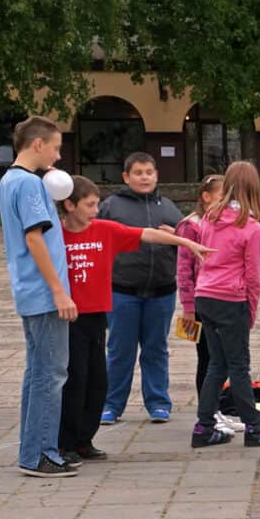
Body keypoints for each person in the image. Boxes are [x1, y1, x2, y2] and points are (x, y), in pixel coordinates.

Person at [60, 176, 213, 464]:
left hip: (97, 315)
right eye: (89, 205)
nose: (96, 210)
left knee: (96, 381)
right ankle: (64, 443)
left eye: (96, 204)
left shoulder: (103, 229)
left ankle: (83, 441)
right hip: (68, 317)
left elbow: (147, 234)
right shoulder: (55, 235)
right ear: (69, 205)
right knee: (74, 380)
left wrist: (185, 242)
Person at [0, 116, 78, 477]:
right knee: (50, 374)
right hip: (44, 293)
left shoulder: (9, 180)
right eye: (56, 148)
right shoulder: (29, 184)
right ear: (38, 144)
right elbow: (35, 238)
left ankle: (34, 449)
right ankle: (40, 454)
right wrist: (59, 291)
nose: (58, 157)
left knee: (37, 373)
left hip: (29, 291)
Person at [98, 152, 184, 424]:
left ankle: (158, 403)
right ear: (126, 177)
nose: (144, 178)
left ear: (157, 175)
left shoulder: (169, 207)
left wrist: (177, 236)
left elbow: (188, 245)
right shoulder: (111, 207)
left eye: (149, 172)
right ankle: (111, 405)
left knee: (156, 350)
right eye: (138, 173)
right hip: (122, 292)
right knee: (119, 351)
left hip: (162, 292)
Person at [191, 161, 260, 448]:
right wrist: (251, 311)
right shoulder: (251, 228)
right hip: (231, 298)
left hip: (205, 294)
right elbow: (252, 276)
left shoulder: (209, 219)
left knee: (217, 363)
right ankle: (254, 427)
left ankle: (204, 426)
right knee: (239, 366)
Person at [175, 174, 224, 400]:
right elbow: (184, 269)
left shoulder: (225, 223)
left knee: (223, 356)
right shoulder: (191, 225)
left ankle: (218, 403)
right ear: (206, 196)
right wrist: (188, 307)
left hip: (222, 297)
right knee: (207, 356)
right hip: (200, 302)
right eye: (222, 196)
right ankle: (207, 406)